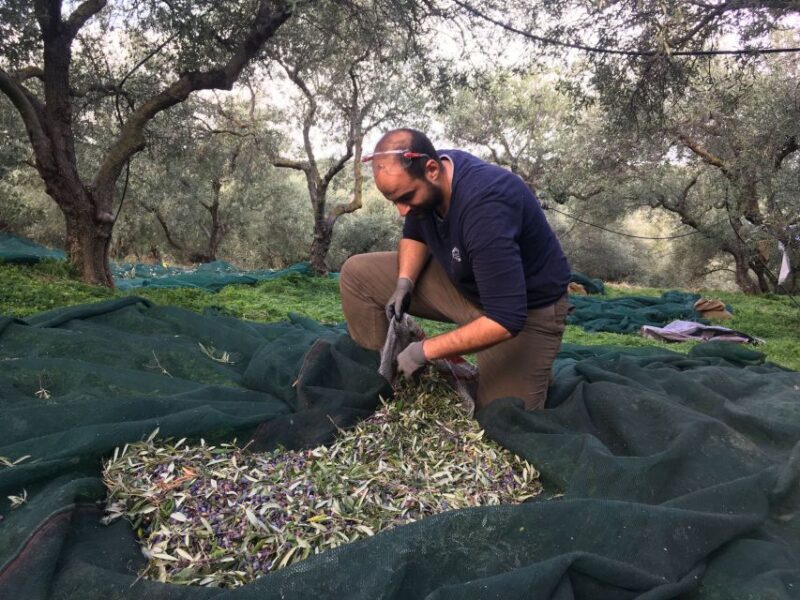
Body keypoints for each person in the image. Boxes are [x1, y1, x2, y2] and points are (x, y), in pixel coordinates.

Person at [339, 128, 571, 411]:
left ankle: (532, 362)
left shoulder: (487, 207)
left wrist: (424, 350)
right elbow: (415, 232)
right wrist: (405, 283)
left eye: (407, 197)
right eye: (395, 201)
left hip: (524, 310)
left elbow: (507, 318)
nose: (401, 210)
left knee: (502, 414)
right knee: (356, 275)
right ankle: (384, 376)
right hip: (464, 282)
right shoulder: (429, 182)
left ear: (433, 170)